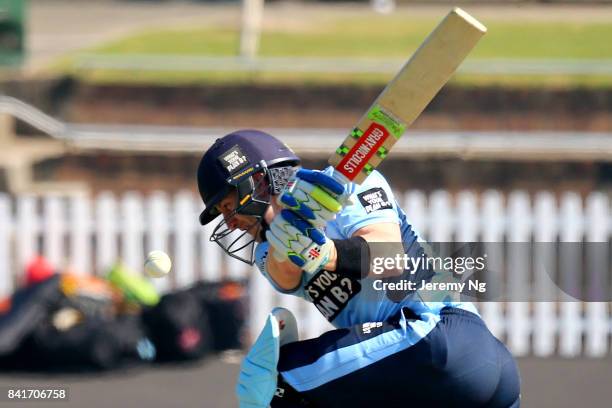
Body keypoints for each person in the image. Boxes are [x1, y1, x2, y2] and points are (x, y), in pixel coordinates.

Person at [197, 129, 521, 408]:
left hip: (441, 338)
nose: (231, 223)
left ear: (256, 182)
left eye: (228, 207)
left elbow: (389, 256)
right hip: (422, 371)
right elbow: (285, 274)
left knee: (271, 381)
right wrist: (291, 236)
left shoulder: (351, 185)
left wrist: (325, 254)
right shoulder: (269, 249)